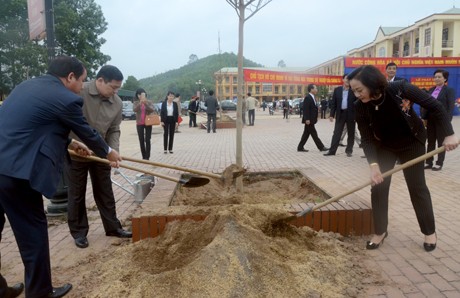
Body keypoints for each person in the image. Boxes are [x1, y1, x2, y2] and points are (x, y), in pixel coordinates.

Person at [0, 56, 122, 297]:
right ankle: (40, 291)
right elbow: (88, 131)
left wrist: (70, 142)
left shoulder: (26, 86)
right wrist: (108, 152)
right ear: (70, 77)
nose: (81, 87)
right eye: (82, 80)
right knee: (33, 233)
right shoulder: (67, 99)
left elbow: (31, 125)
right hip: (16, 174)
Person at [348, 65, 458, 252]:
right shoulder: (360, 107)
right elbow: (366, 138)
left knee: (417, 187)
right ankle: (380, 231)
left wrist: (449, 134)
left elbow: (436, 106)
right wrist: (373, 166)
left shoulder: (400, 89)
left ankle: (429, 232)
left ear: (373, 84)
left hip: (412, 142)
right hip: (384, 146)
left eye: (359, 90)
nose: (357, 95)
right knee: (379, 187)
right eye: (353, 91)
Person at [66, 65, 132, 250]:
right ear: (100, 80)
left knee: (105, 191)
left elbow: (114, 129)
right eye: (113, 87)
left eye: (118, 88)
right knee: (77, 194)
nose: (115, 92)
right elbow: (63, 120)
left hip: (101, 152)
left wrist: (113, 151)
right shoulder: (79, 92)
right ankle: (79, 233)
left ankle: (113, 227)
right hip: (76, 151)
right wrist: (71, 143)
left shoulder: (117, 103)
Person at [423, 69, 456, 171]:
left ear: (445, 78)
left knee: (441, 142)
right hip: (431, 120)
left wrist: (447, 121)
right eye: (435, 77)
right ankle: (428, 162)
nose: (436, 79)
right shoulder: (431, 90)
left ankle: (439, 163)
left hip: (442, 121)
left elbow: (450, 107)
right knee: (430, 142)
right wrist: (424, 118)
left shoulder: (449, 90)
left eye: (439, 77)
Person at [324, 74, 357, 157]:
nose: (348, 80)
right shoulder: (337, 90)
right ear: (343, 80)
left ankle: (349, 151)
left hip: (351, 114)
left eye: (350, 79)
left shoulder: (354, 90)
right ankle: (332, 151)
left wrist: (357, 115)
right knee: (336, 133)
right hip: (340, 114)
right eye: (346, 78)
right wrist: (331, 115)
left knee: (351, 133)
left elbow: (357, 104)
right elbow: (333, 103)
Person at [297, 84, 329, 153]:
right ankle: (321, 147)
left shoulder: (313, 97)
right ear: (311, 89)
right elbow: (306, 109)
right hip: (309, 120)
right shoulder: (308, 97)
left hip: (312, 119)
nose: (317, 89)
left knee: (306, 134)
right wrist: (307, 119)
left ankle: (300, 147)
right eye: (316, 88)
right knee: (314, 134)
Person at [133, 88, 154, 160]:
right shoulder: (136, 102)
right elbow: (134, 109)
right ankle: (143, 156)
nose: (140, 96)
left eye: (141, 94)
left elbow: (152, 109)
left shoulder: (149, 102)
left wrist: (145, 104)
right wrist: (140, 103)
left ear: (145, 94)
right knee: (141, 140)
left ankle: (147, 156)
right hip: (139, 123)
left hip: (148, 122)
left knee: (148, 139)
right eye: (139, 94)